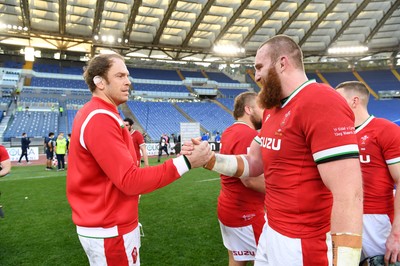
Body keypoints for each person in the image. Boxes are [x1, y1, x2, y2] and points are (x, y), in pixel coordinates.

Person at [182, 35, 363, 265]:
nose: (256, 76)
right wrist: (209, 159)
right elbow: (253, 162)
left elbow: (349, 194)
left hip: (303, 242)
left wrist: (345, 262)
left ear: (282, 63)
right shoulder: (272, 109)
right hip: (271, 228)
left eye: (259, 67)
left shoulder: (320, 101)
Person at [66, 53, 212, 266]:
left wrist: (183, 157)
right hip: (109, 229)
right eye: (119, 76)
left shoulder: (101, 113)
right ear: (100, 82)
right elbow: (130, 180)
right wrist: (187, 162)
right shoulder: (99, 118)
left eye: (127, 75)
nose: (128, 81)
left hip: (107, 225)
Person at [336, 81, 400, 265]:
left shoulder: (386, 130)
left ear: (354, 101)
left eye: (338, 99)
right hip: (342, 216)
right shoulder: (337, 134)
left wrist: (397, 233)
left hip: (376, 218)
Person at [218, 92, 266, 265]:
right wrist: (285, 192)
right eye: (261, 107)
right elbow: (250, 179)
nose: (265, 112)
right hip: (246, 212)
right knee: (266, 259)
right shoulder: (247, 135)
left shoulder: (229, 131)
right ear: (248, 109)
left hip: (230, 206)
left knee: (237, 259)